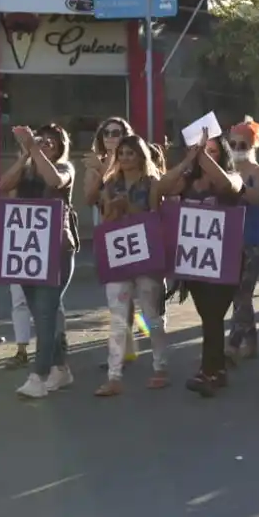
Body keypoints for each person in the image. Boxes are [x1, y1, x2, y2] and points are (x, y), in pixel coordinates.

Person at [159, 130, 244, 398]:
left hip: (225, 259)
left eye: (213, 150)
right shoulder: (187, 182)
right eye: (201, 149)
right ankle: (217, 371)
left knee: (213, 314)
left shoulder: (232, 178)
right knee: (209, 316)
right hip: (195, 261)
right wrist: (187, 161)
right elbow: (160, 188)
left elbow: (229, 186)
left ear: (222, 154)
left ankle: (207, 372)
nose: (206, 154)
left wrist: (204, 157)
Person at [86, 132, 169, 396]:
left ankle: (160, 367)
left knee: (150, 315)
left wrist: (130, 207)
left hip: (146, 255)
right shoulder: (111, 183)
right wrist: (113, 205)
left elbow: (155, 218)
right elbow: (107, 218)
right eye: (121, 154)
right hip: (118, 255)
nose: (124, 158)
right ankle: (114, 375)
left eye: (130, 153)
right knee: (118, 316)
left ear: (140, 155)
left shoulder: (153, 182)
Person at [10, 124, 79, 400]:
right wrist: (24, 155)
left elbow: (53, 182)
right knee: (40, 313)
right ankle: (60, 368)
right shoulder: (27, 168)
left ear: (62, 146)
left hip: (57, 249)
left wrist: (35, 149)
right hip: (27, 250)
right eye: (42, 138)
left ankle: (37, 376)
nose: (46, 142)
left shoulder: (65, 169)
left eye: (53, 140)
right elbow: (4, 184)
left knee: (47, 311)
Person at [226, 118, 259, 361]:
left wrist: (237, 188)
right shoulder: (228, 172)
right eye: (232, 144)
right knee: (239, 292)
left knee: (242, 292)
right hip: (232, 240)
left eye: (242, 145)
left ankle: (232, 344)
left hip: (255, 239)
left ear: (252, 146)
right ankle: (251, 342)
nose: (236, 149)